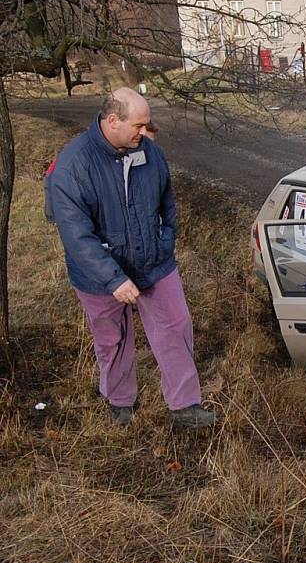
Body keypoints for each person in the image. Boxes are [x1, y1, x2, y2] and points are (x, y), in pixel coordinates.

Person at [48, 87, 216, 429]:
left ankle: (184, 406)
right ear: (113, 120)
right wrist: (113, 278)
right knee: (113, 339)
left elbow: (167, 204)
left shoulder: (150, 153)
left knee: (176, 325)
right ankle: (120, 402)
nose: (145, 132)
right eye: (139, 125)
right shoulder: (73, 164)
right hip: (98, 276)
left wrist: (165, 239)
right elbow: (76, 236)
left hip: (154, 262)